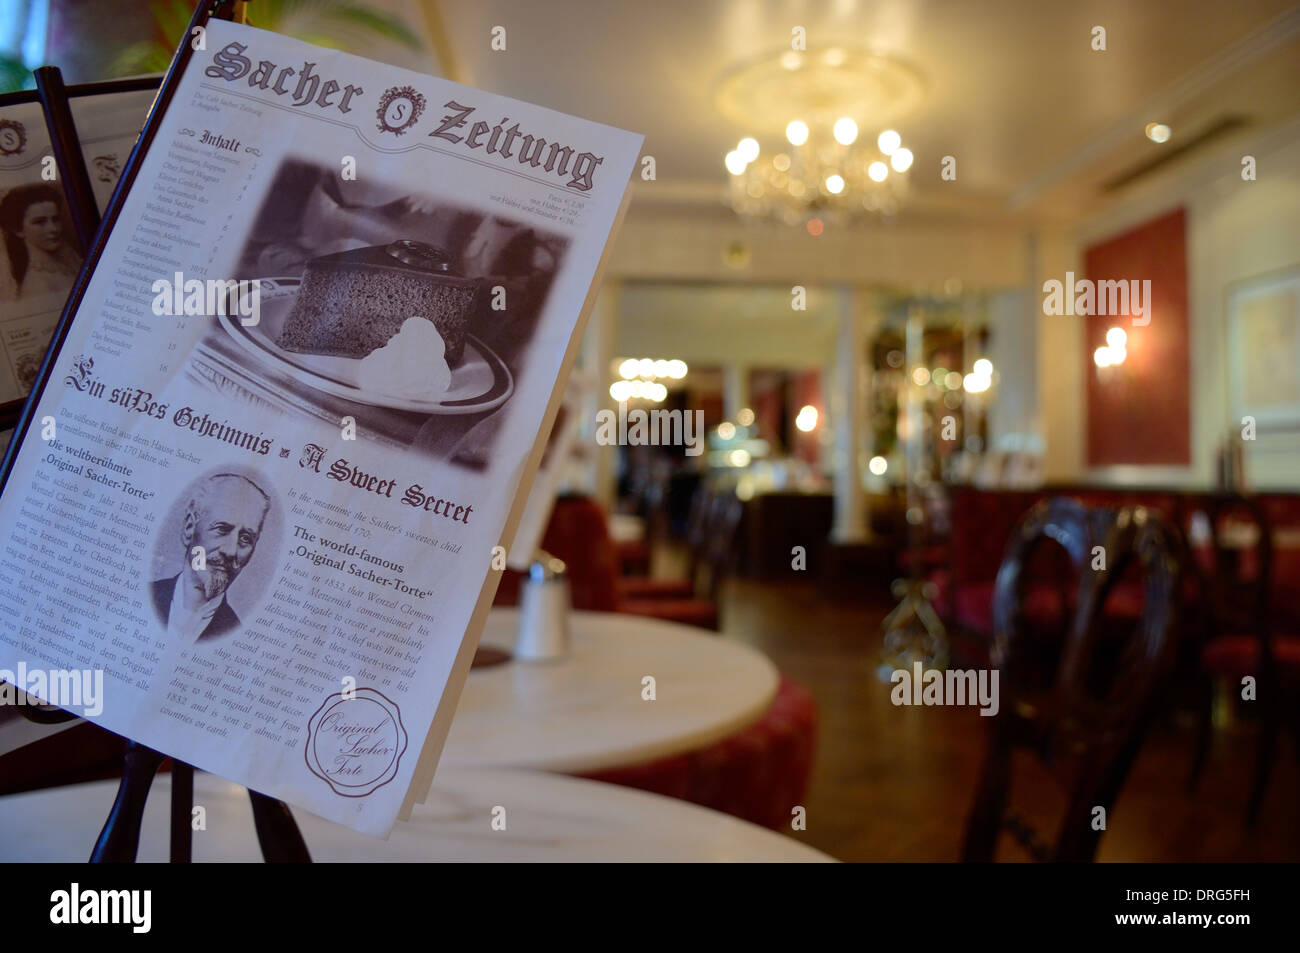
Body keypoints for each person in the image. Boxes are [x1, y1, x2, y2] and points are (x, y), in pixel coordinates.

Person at [151, 473, 270, 642]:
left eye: (245, 539)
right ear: (189, 528)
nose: (230, 551)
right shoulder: (147, 594)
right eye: (222, 529)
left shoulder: (237, 635)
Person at [0, 184, 80, 302]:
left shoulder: (68, 264)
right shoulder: (37, 286)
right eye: (40, 222)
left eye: (55, 219)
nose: (53, 229)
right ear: (18, 230)